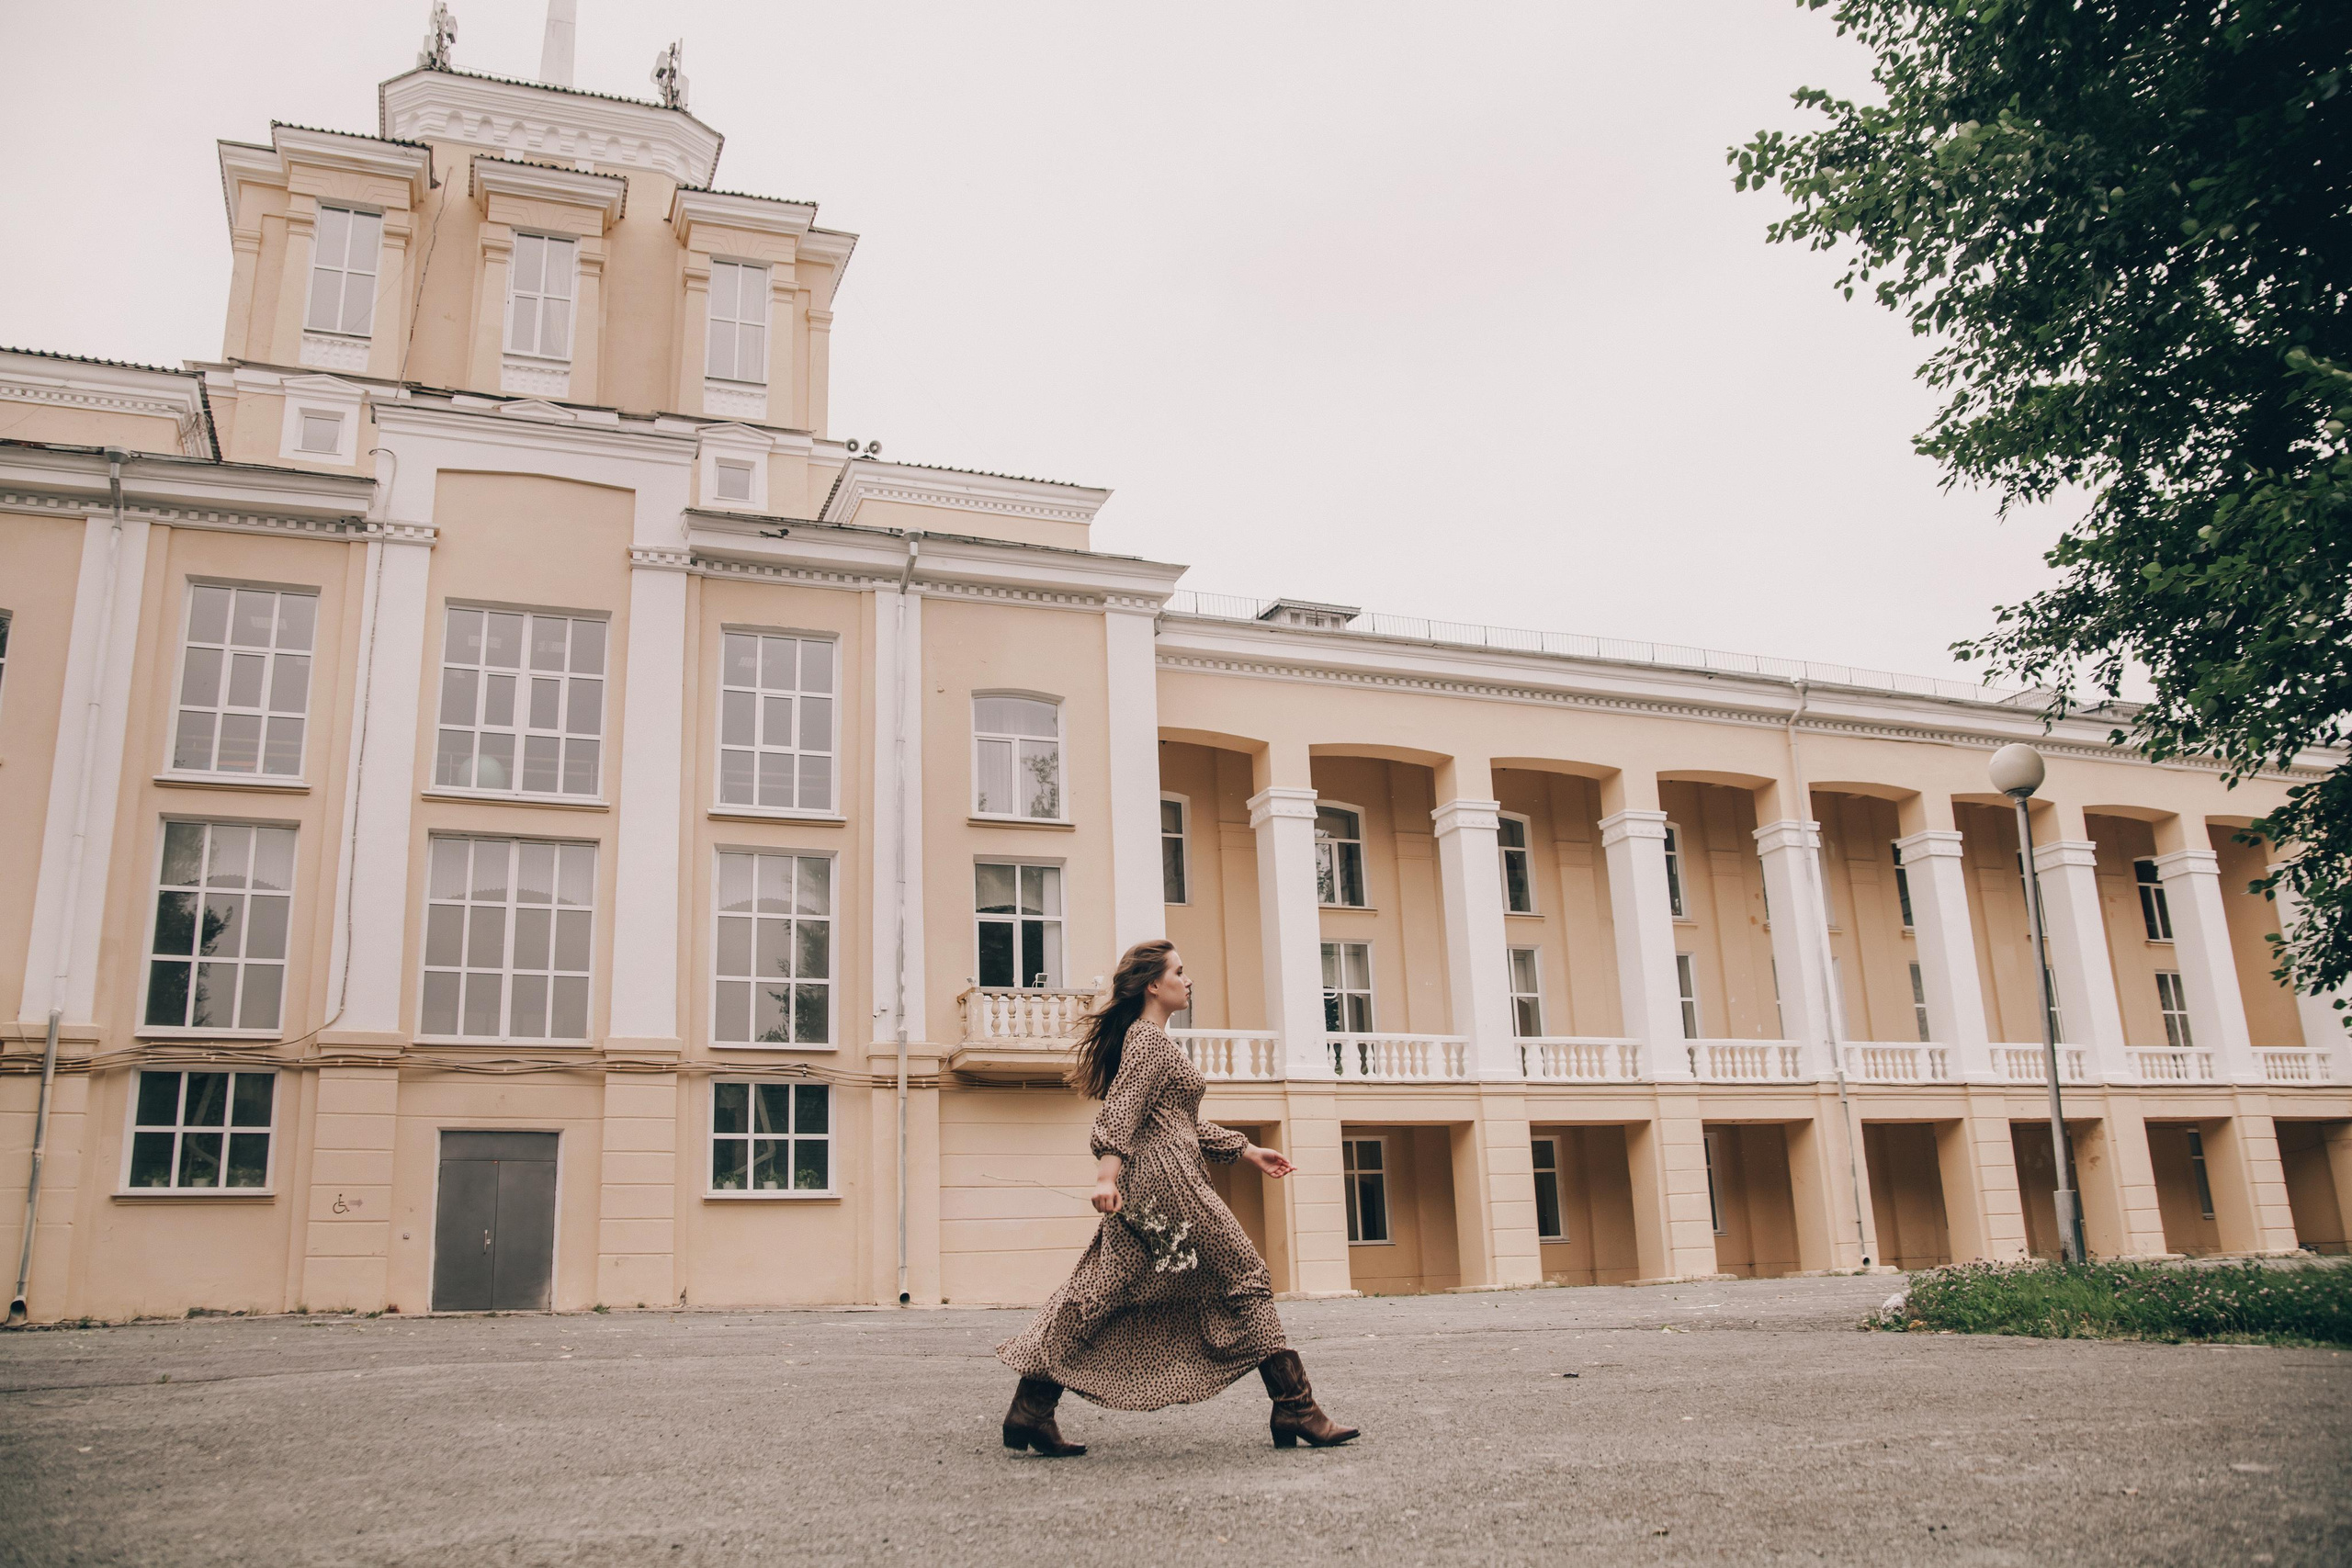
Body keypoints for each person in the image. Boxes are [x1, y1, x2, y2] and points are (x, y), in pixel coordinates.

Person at [995, 939, 1359, 1455]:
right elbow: (1122, 1110)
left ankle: (1030, 1410)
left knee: (1102, 1288)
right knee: (1245, 1276)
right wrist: (1105, 1175)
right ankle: (1295, 1407)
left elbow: (1178, 1124)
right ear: (1153, 985)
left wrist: (1247, 1150)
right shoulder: (1147, 1041)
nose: (1188, 981)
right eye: (1179, 972)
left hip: (1156, 1184)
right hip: (1170, 1187)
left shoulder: (1152, 1042)